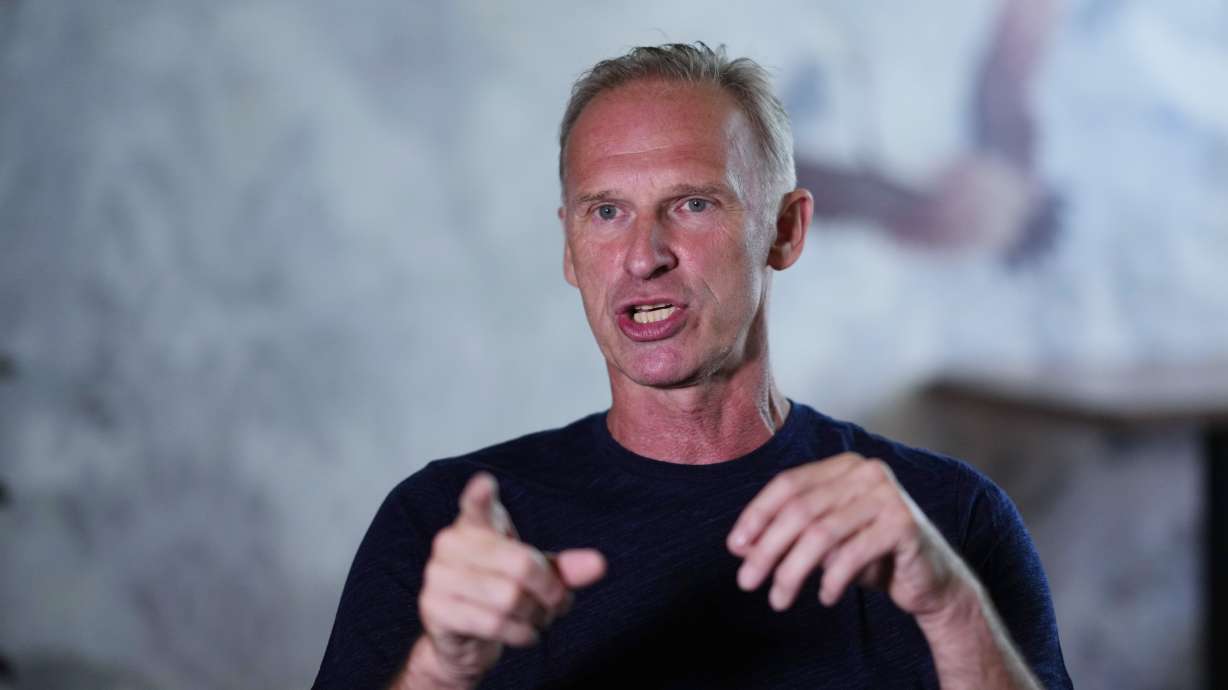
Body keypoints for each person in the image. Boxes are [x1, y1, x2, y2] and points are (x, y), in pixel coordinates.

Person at [312, 43, 1071, 690]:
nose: (643, 257)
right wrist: (443, 667)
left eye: (693, 205)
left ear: (785, 229)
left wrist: (949, 607)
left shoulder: (946, 519)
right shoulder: (447, 528)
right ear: (570, 247)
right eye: (605, 212)